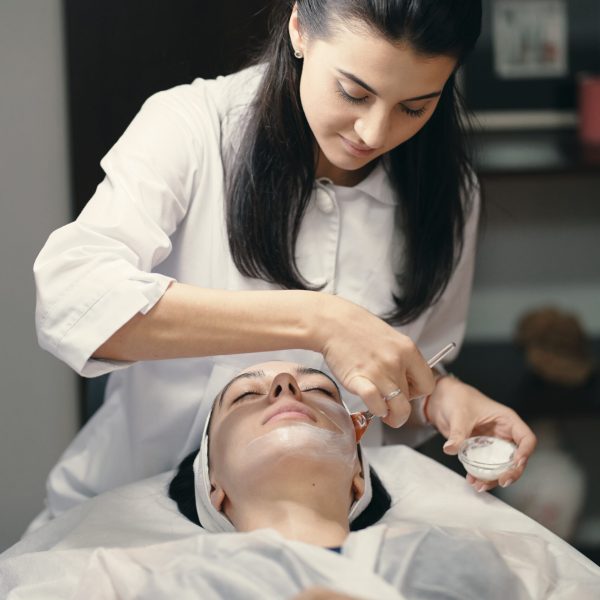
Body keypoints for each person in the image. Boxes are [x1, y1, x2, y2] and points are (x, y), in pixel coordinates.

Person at [33, 0, 536, 521]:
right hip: (138, 517)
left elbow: (400, 374)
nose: (375, 133)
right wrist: (319, 322)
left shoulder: (446, 190)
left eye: (415, 107)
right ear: (300, 29)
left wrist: (440, 397)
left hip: (327, 525)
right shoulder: (193, 127)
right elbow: (72, 299)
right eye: (354, 93)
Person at [165, 360, 527, 599]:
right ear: (213, 483)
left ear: (358, 474)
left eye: (321, 391)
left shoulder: (456, 561)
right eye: (245, 395)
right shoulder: (178, 586)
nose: (286, 386)